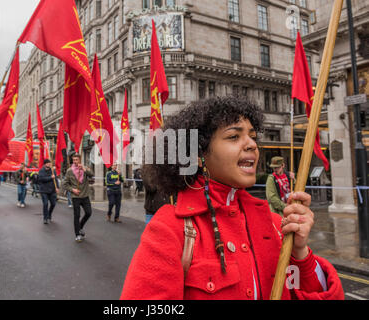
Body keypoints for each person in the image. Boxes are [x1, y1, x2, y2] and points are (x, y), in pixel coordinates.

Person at [120, 96, 343, 300]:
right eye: (234, 136)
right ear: (198, 155)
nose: (252, 145)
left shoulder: (276, 225)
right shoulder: (171, 228)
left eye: (253, 137)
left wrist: (300, 251)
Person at [63, 153, 93, 242]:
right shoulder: (69, 171)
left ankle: (80, 226)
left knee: (88, 213)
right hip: (75, 197)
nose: (75, 162)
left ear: (80, 160)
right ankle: (77, 234)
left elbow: (91, 175)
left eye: (77, 160)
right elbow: (65, 184)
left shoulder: (85, 168)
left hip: (85, 195)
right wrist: (73, 190)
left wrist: (84, 169)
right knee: (77, 215)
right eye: (74, 160)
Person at [38, 159, 59, 224]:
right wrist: (50, 177)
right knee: (45, 204)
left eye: (50, 163)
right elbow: (41, 179)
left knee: (53, 204)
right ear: (45, 164)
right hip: (44, 190)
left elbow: (56, 179)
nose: (49, 164)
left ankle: (49, 214)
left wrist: (57, 187)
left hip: (52, 190)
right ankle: (45, 218)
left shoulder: (53, 171)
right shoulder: (41, 171)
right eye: (48, 163)